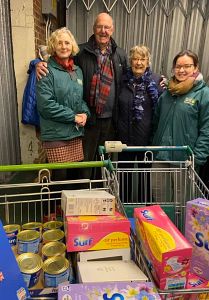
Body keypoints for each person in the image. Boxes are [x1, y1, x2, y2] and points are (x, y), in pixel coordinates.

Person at [36, 13, 128, 179]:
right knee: (82, 167)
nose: (103, 30)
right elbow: (58, 61)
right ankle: (78, 199)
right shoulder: (81, 52)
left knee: (105, 164)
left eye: (107, 27)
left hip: (109, 122)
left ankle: (100, 198)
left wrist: (158, 81)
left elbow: (128, 80)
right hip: (87, 122)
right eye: (99, 26)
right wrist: (38, 64)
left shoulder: (119, 55)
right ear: (93, 28)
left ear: (112, 30)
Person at [151, 49, 209, 202]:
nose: (182, 70)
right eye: (178, 66)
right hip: (161, 157)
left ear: (196, 68)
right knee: (160, 202)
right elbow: (156, 123)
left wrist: (196, 158)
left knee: (182, 205)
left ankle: (181, 227)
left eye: (187, 66)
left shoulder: (203, 94)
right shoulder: (167, 94)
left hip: (186, 160)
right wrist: (155, 146)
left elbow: (206, 130)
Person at [36, 27, 90, 181]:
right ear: (53, 46)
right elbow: (46, 106)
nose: (64, 46)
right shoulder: (46, 70)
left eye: (67, 43)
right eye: (59, 43)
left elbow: (80, 99)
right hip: (55, 135)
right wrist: (73, 117)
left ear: (72, 46)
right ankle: (54, 206)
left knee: (73, 180)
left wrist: (85, 113)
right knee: (60, 181)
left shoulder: (77, 71)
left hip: (75, 133)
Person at [117, 45, 164, 203]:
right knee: (124, 178)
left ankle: (145, 213)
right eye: (135, 59)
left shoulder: (157, 82)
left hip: (146, 141)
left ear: (148, 62)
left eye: (142, 59)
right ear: (130, 61)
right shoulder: (122, 81)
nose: (138, 62)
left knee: (146, 178)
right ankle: (124, 209)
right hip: (125, 140)